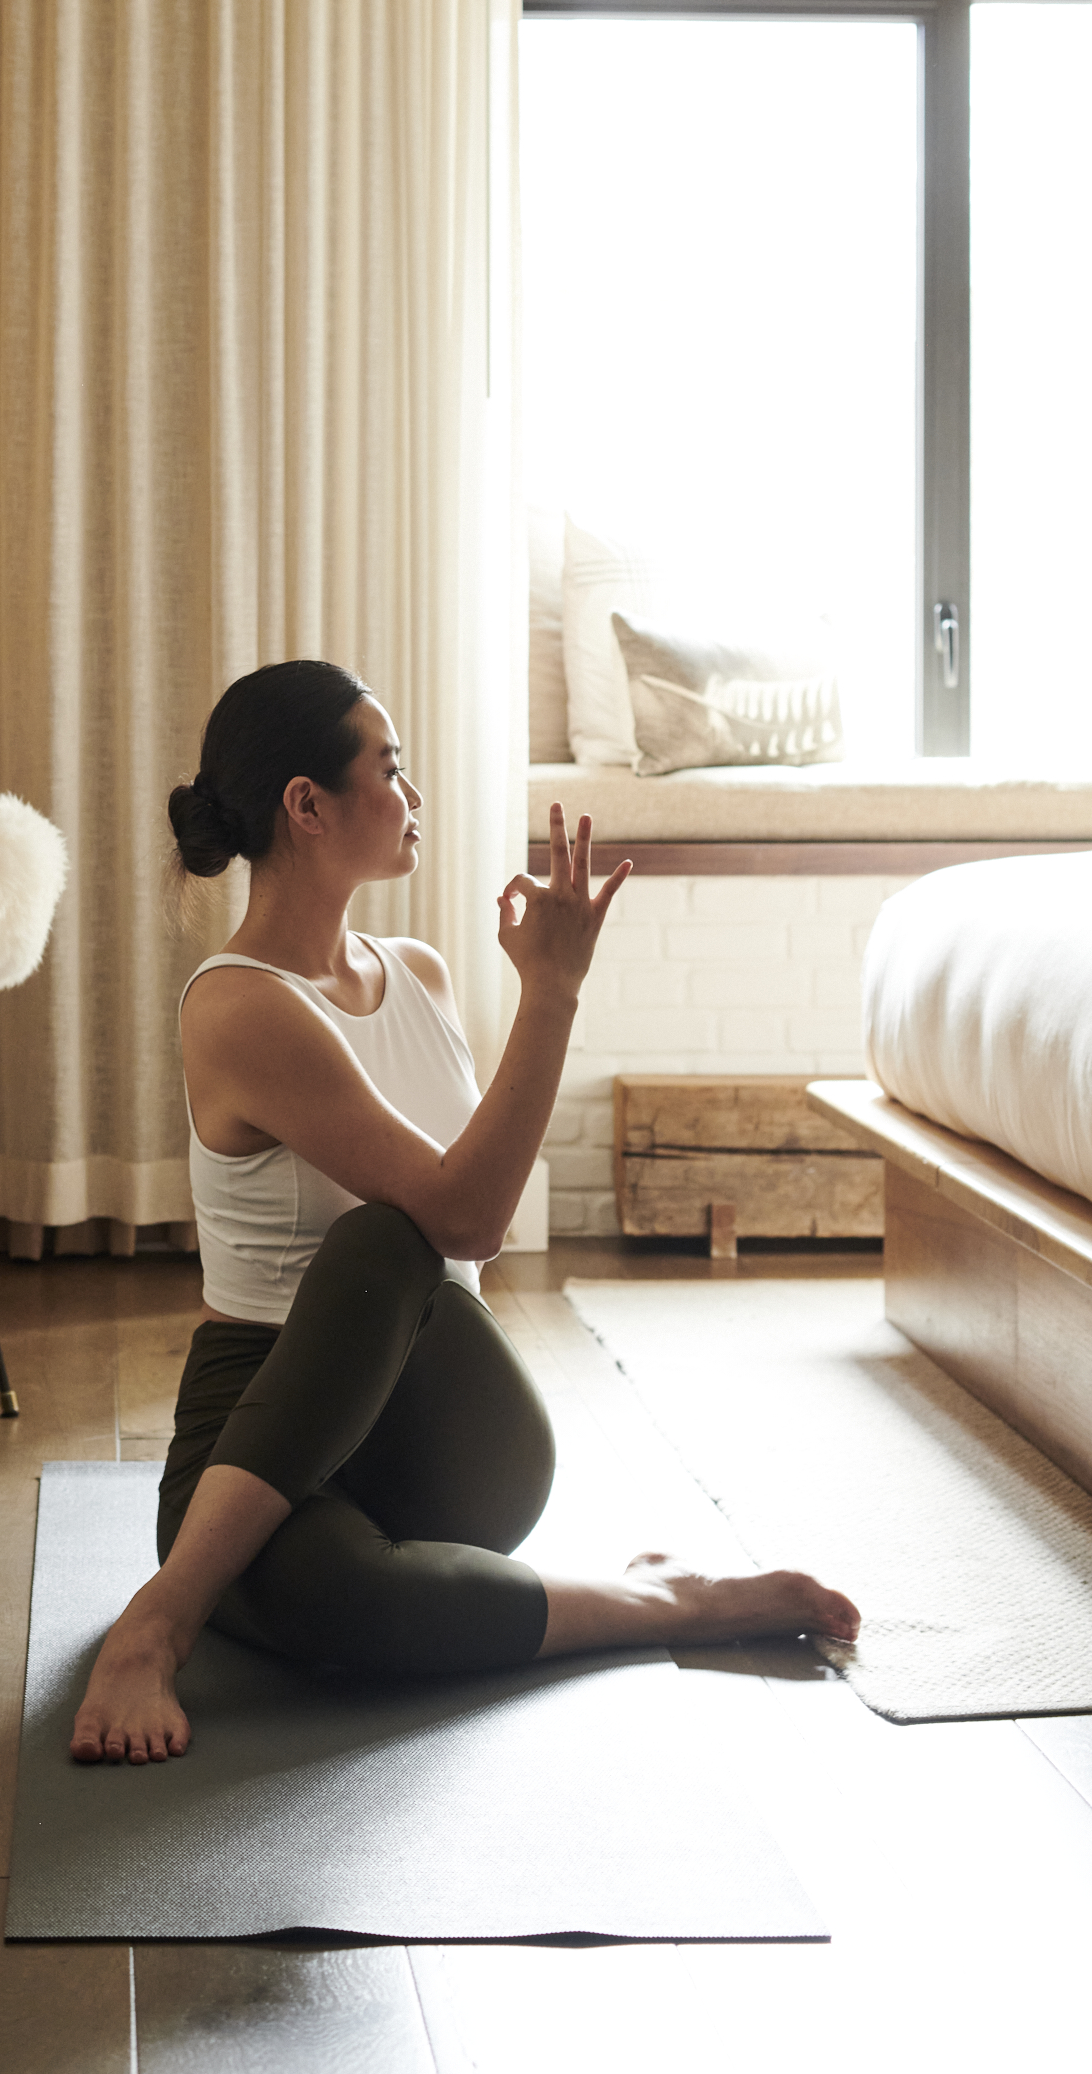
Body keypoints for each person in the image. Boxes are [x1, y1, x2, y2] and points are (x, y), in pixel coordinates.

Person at [70, 658, 860, 1767]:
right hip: (259, 1437)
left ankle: (168, 1617)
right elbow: (461, 1214)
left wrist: (551, 993)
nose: (415, 795)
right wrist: (551, 993)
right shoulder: (241, 1006)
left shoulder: (423, 975)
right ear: (308, 805)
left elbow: (473, 1218)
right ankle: (661, 1603)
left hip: (453, 1433)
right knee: (346, 1578)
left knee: (400, 1234)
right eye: (389, 770)